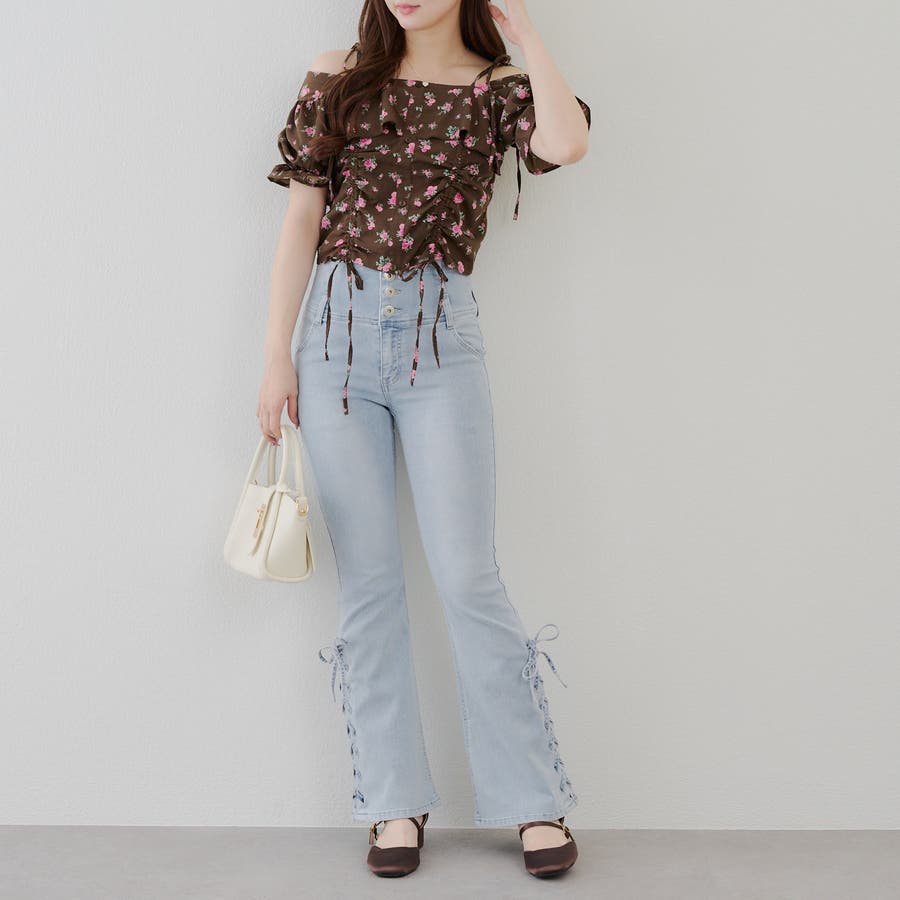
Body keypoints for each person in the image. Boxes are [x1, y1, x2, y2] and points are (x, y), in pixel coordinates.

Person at [257, 0, 591, 879]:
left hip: (441, 337)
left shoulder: (498, 88)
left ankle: (533, 800)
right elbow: (301, 220)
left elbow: (566, 144)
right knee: (368, 582)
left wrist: (526, 35)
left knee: (469, 576)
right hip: (333, 339)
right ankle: (391, 803)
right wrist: (275, 357)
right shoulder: (338, 74)